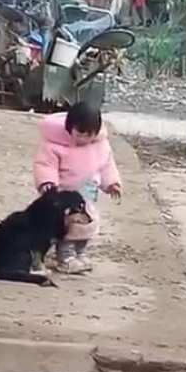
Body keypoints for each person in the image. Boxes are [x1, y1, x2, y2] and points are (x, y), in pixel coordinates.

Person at [33, 102, 121, 274]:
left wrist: (112, 183)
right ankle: (64, 257)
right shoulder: (54, 144)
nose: (84, 139)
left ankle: (79, 254)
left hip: (88, 194)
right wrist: (47, 183)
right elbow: (45, 165)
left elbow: (106, 165)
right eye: (80, 134)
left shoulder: (100, 145)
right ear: (69, 127)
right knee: (67, 228)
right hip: (64, 197)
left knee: (87, 224)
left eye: (89, 135)